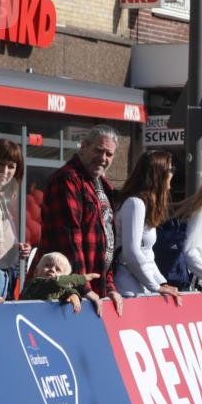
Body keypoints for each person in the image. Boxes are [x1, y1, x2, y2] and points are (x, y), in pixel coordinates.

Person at [38, 125, 125, 316]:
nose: (103, 158)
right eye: (98, 150)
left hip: (94, 291)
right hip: (66, 294)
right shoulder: (67, 179)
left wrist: (109, 285)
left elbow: (108, 239)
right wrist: (83, 286)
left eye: (108, 154)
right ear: (84, 146)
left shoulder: (104, 185)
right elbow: (69, 239)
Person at [114, 150, 182, 304]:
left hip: (139, 287)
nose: (172, 174)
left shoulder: (143, 205)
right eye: (170, 170)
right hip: (128, 290)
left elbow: (147, 255)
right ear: (158, 173)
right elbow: (130, 252)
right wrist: (156, 286)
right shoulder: (135, 204)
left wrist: (161, 283)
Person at [0, 139, 32, 300]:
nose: (5, 171)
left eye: (11, 166)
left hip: (4, 275)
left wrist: (16, 249)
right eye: (0, 163)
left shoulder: (1, 197)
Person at [20, 252, 102, 315]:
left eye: (58, 270)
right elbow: (56, 282)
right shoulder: (33, 283)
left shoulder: (59, 286)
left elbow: (66, 289)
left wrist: (74, 295)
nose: (52, 269)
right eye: (48, 265)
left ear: (65, 277)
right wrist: (82, 278)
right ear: (36, 272)